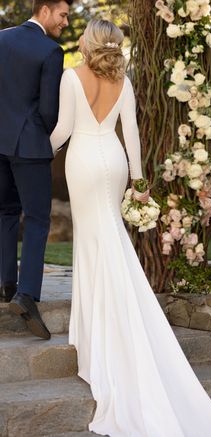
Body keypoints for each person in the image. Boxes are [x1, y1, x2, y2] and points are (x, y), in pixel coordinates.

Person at [50, 19, 211, 437]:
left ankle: (95, 331)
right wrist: (137, 180)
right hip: (114, 161)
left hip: (81, 159)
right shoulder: (124, 82)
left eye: (83, 35)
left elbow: (62, 131)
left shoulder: (71, 76)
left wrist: (33, 152)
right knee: (111, 236)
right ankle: (110, 318)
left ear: (90, 41)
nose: (78, 38)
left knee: (93, 243)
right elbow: (130, 132)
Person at [0, 0, 73, 340]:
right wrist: (45, 137)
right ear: (44, 10)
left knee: (5, 212)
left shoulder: (1, 39)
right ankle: (26, 295)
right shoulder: (50, 51)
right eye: (63, 14)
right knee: (39, 218)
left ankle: (5, 283)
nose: (66, 22)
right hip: (29, 145)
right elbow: (48, 110)